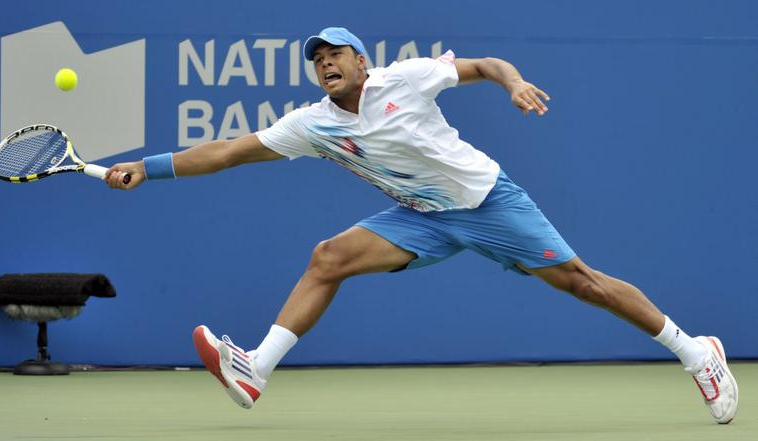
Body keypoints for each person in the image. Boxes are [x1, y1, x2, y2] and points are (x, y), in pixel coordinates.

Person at [104, 27, 738, 423]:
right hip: (421, 218)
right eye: (316, 59)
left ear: (360, 60)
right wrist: (148, 166)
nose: (326, 63)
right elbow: (228, 150)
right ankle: (256, 369)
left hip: (487, 201)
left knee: (583, 283)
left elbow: (487, 63)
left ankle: (694, 351)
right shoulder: (311, 124)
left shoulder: (405, 78)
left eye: (336, 54)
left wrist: (513, 84)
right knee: (329, 257)